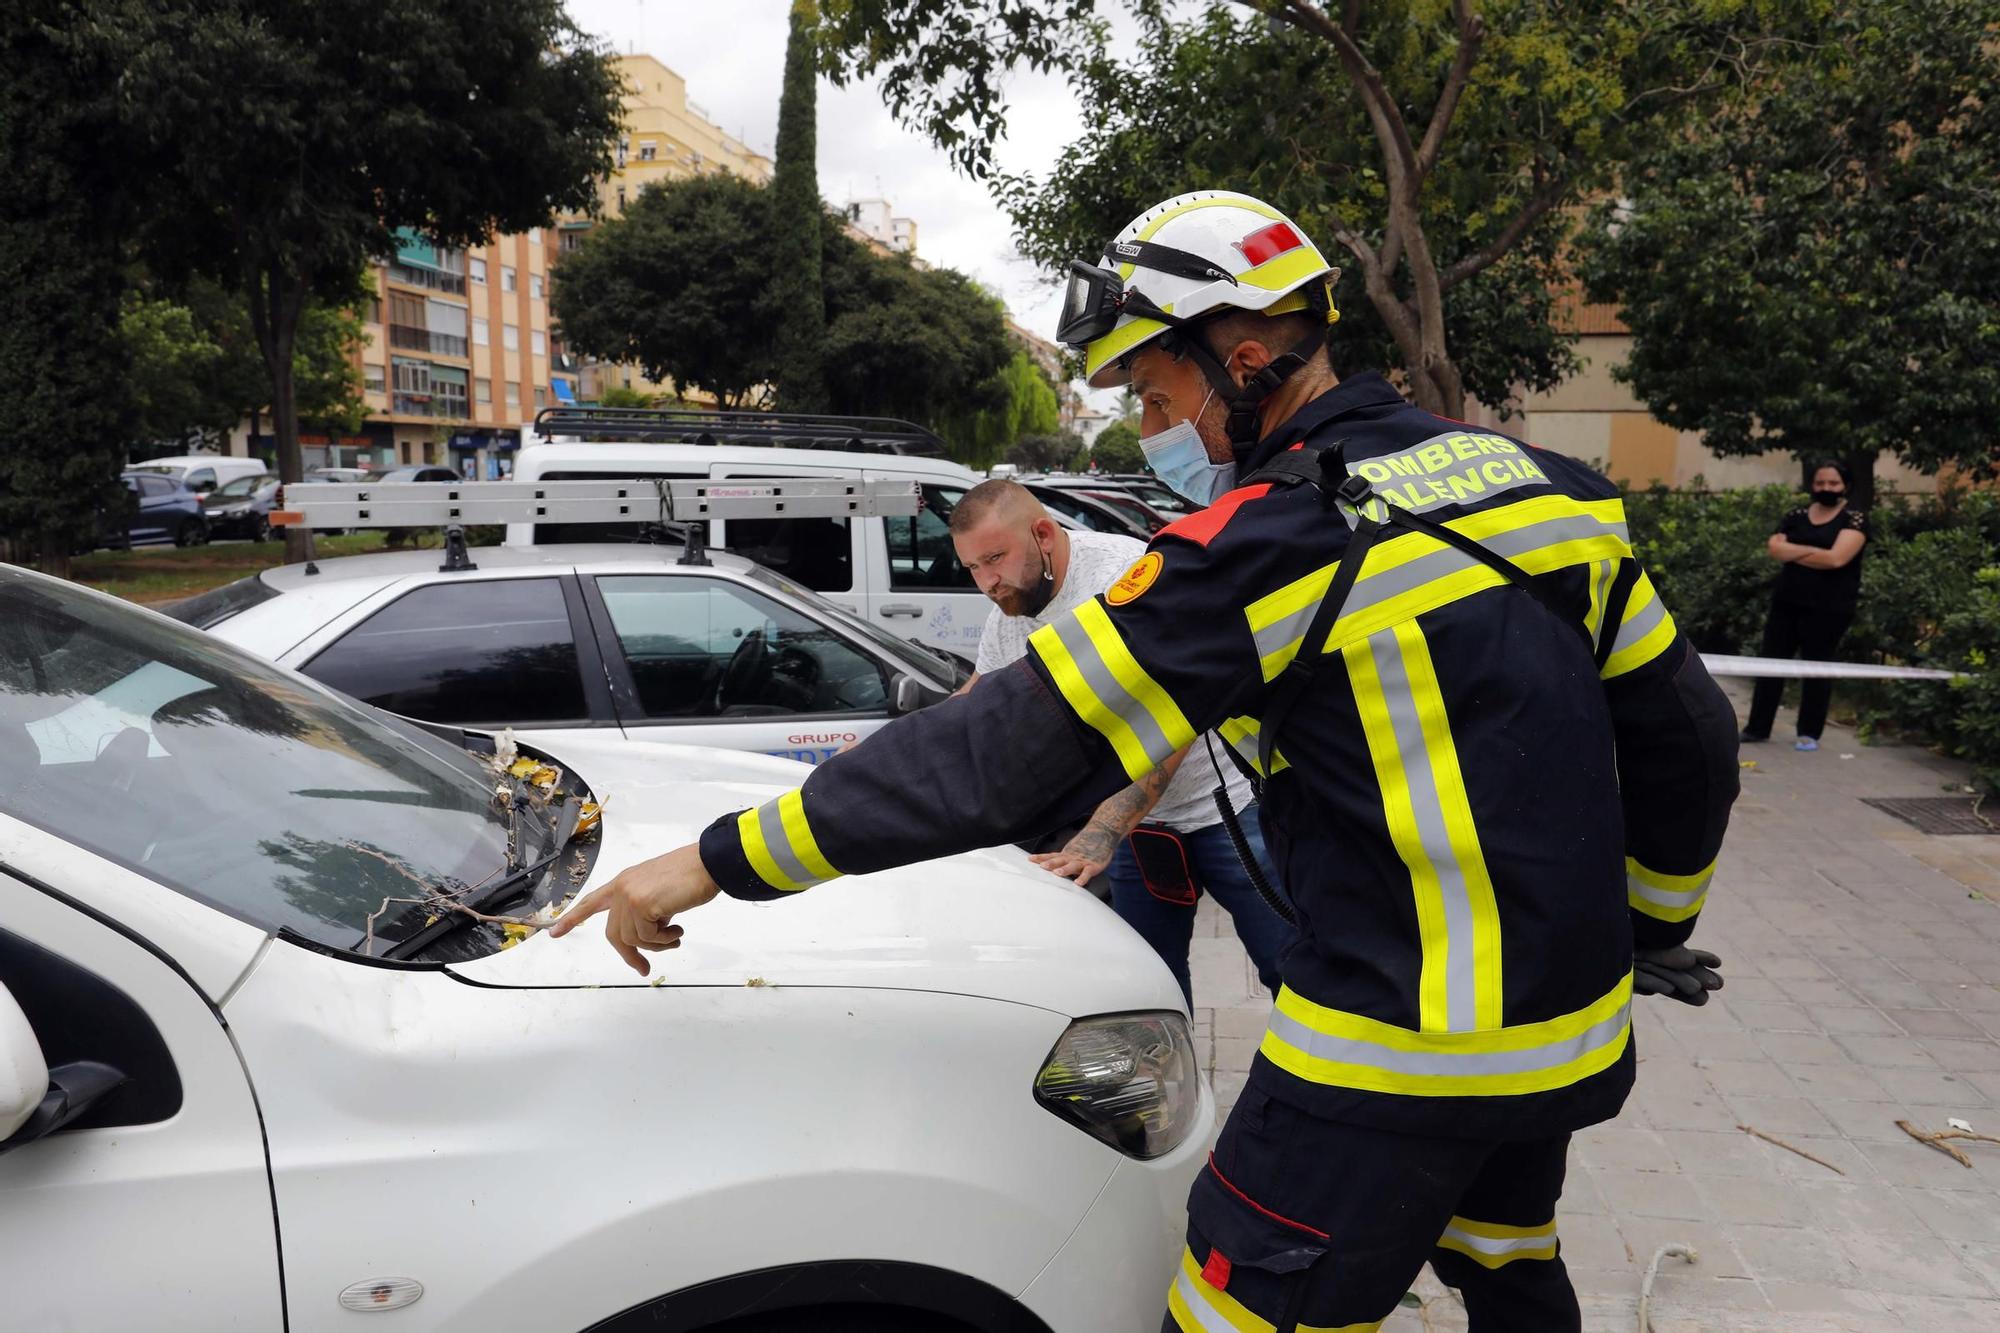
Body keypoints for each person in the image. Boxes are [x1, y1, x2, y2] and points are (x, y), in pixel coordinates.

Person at [551, 191, 1738, 1332]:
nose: (1149, 427)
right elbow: (1689, 743)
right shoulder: (1549, 492)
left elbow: (1007, 750)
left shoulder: (1270, 543)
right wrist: (1647, 922)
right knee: (1503, 1254)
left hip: (1390, 1060)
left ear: (1252, 348)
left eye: (1159, 391)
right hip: (1567, 1033)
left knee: (1229, 1307)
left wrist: (720, 859)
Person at [947, 477, 1297, 1007]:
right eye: (973, 568)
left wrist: (1102, 833)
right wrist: (889, 756)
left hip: (1223, 807)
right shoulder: (1010, 613)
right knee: (1146, 988)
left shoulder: (1125, 577)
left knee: (1291, 968)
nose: (987, 582)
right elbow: (983, 704)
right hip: (1141, 828)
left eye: (995, 558)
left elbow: (1176, 715)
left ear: (1043, 534)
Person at [1741, 461, 1869, 751]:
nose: (1826, 489)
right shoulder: (1796, 515)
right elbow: (1775, 549)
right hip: (1787, 602)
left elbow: (1837, 559)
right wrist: (1817, 552)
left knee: (1817, 668)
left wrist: (1794, 552)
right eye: (1820, 483)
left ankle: (1809, 733)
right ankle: (1757, 728)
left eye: (1833, 484)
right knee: (1771, 664)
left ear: (1845, 485)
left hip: (1830, 608)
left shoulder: (1855, 519)